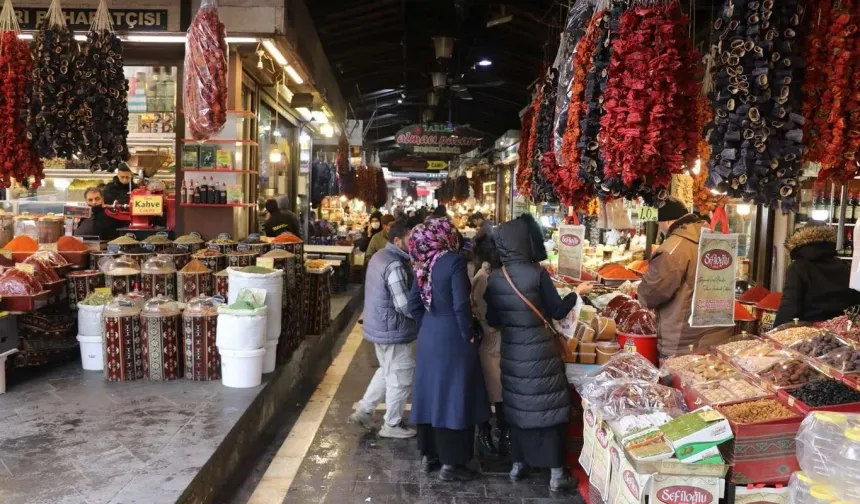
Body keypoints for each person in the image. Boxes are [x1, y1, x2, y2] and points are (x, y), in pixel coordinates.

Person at [483, 214, 589, 491]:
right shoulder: (537, 273)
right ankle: (556, 473)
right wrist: (576, 293)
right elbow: (556, 311)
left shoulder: (495, 278)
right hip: (541, 352)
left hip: (513, 353)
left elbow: (493, 320)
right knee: (548, 408)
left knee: (519, 408)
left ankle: (518, 465)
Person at [407, 217, 489, 482]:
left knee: (431, 395)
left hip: (430, 336)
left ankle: (429, 456)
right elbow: (461, 305)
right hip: (453, 337)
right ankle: (452, 465)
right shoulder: (453, 261)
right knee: (455, 397)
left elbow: (413, 304)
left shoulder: (423, 263)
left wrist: (428, 326)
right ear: (446, 236)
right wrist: (468, 336)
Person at [637, 197, 734, 358]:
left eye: (659, 223)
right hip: (719, 339)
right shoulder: (715, 239)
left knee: (676, 383)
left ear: (666, 222)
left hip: (683, 345)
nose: (659, 228)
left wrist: (639, 290)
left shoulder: (672, 249)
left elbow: (650, 295)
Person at [349, 220, 418, 439]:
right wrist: (425, 317)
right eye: (410, 239)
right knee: (400, 377)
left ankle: (365, 410)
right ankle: (392, 424)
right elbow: (404, 305)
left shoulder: (380, 256)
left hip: (379, 326)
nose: (415, 243)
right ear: (397, 240)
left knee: (386, 370)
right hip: (394, 330)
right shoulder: (395, 265)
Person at [775, 222, 860, 326]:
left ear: (799, 243)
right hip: (839, 331)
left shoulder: (797, 268)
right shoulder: (845, 266)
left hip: (807, 332)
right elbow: (856, 303)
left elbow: (789, 305)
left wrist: (775, 333)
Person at [470, 234, 505, 457]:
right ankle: (487, 435)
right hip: (492, 342)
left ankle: (498, 435)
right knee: (495, 393)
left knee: (497, 393)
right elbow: (487, 316)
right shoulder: (484, 278)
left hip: (494, 342)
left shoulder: (488, 274)